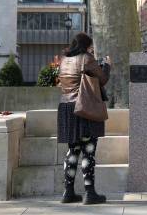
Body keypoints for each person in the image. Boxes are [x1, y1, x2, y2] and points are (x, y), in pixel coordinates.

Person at [56, 32, 111, 205]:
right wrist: (107, 65)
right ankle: (89, 193)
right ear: (87, 46)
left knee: (73, 150)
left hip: (66, 107)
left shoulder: (64, 60)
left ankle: (68, 192)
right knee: (88, 149)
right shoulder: (87, 58)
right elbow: (102, 79)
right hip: (84, 107)